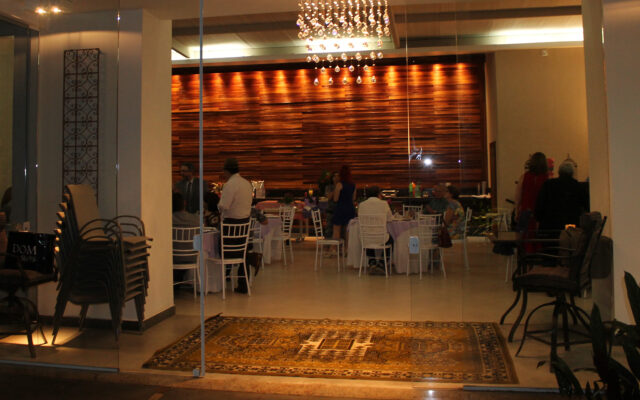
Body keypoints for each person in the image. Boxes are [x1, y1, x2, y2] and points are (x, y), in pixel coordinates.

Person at [218, 158, 253, 294]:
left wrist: (218, 207)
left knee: (216, 247)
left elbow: (224, 206)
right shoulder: (247, 183)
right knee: (243, 253)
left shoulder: (230, 184)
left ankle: (220, 279)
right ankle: (244, 283)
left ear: (226, 171)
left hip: (230, 227)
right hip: (244, 225)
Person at [535, 161, 589, 231]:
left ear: (559, 172)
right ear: (572, 173)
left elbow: (540, 204)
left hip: (549, 225)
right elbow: (587, 205)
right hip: (570, 227)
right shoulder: (578, 187)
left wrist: (538, 219)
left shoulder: (548, 184)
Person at [358, 186, 393, 274]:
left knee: (369, 236)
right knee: (391, 240)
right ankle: (382, 263)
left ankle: (372, 262)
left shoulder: (361, 205)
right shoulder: (384, 204)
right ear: (379, 194)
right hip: (381, 237)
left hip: (365, 238)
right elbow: (390, 219)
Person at [515, 152, 548, 232]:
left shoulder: (524, 177)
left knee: (523, 235)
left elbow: (518, 196)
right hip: (541, 212)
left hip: (526, 209)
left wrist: (516, 211)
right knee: (539, 235)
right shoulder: (547, 179)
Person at [331, 165, 356, 242]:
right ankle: (347, 248)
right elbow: (353, 199)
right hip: (350, 209)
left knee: (336, 231)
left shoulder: (339, 184)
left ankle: (335, 248)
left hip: (340, 209)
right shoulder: (353, 185)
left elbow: (335, 199)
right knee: (348, 231)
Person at [324, 171, 339, 238]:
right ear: (332, 178)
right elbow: (329, 197)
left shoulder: (341, 186)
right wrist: (336, 188)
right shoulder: (329, 187)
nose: (336, 178)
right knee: (329, 229)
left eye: (338, 176)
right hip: (330, 210)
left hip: (339, 210)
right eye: (335, 176)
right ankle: (328, 241)